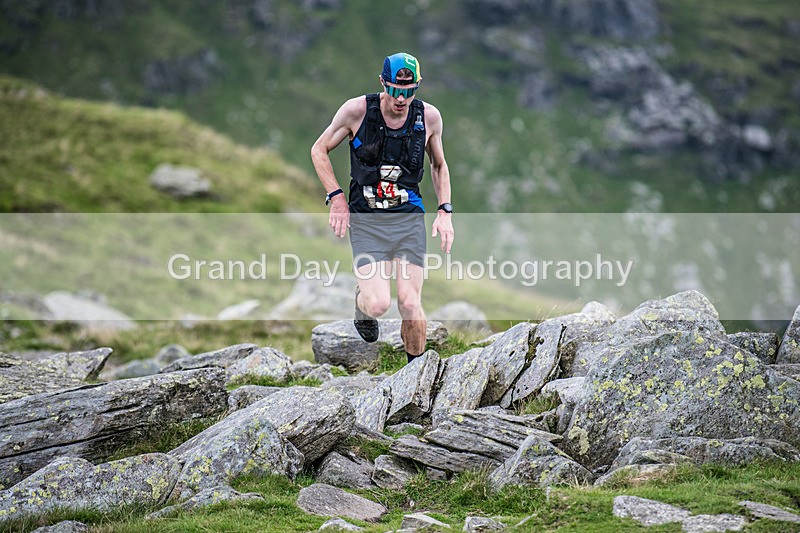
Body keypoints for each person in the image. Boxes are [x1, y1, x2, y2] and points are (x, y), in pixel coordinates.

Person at [311, 52, 454, 364]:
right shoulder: (356, 111)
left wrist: (445, 211)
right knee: (378, 305)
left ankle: (415, 376)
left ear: (417, 86)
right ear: (383, 83)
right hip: (367, 221)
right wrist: (337, 198)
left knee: (410, 302)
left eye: (409, 90)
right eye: (395, 89)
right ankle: (361, 302)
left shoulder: (428, 118)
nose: (401, 98)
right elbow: (319, 149)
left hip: (408, 221)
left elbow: (439, 166)